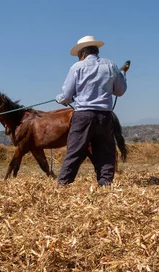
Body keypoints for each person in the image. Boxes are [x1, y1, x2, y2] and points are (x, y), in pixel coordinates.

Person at [55, 35, 127, 187]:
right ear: (96, 50)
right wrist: (124, 76)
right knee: (106, 152)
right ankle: (105, 184)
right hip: (104, 116)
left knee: (75, 150)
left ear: (82, 53)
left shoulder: (77, 67)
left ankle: (63, 184)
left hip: (83, 116)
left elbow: (67, 96)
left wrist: (59, 99)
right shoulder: (111, 65)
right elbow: (119, 91)